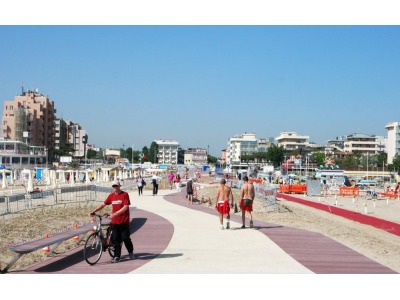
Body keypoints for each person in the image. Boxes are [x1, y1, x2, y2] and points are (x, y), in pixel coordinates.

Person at [88, 180, 134, 263]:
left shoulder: (125, 194)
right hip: (114, 222)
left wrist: (115, 214)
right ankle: (117, 256)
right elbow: (103, 204)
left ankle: (130, 252)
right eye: (113, 186)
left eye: (116, 186)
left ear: (119, 186)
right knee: (116, 239)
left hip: (124, 221)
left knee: (125, 238)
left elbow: (126, 207)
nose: (115, 188)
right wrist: (93, 211)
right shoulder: (111, 196)